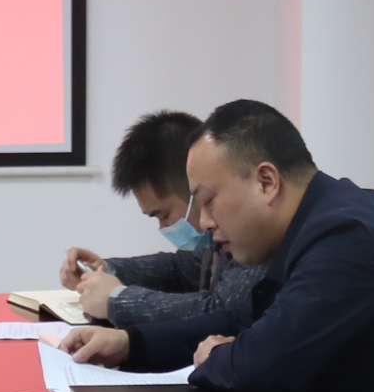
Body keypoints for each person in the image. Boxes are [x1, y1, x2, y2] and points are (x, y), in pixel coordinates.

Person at [61, 101, 374, 392]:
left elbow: (259, 366)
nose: (204, 223)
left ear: (266, 182)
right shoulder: (320, 219)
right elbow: (243, 318)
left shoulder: (346, 237)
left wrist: (217, 355)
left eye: (208, 200)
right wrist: (131, 344)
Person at [54, 109, 263, 328]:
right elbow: (180, 269)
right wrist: (105, 269)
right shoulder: (217, 239)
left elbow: (221, 312)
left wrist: (117, 301)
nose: (164, 227)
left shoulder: (252, 236)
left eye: (163, 215)